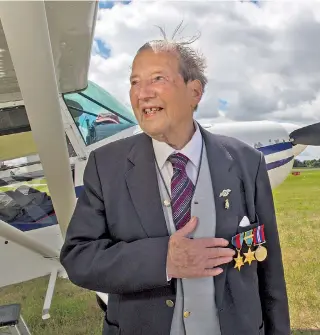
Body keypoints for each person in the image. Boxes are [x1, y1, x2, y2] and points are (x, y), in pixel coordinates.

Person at [59, 35, 291, 335]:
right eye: (134, 82)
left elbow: (269, 270)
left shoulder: (248, 162)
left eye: (157, 78)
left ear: (194, 91)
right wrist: (163, 260)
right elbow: (78, 257)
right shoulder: (106, 166)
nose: (141, 94)